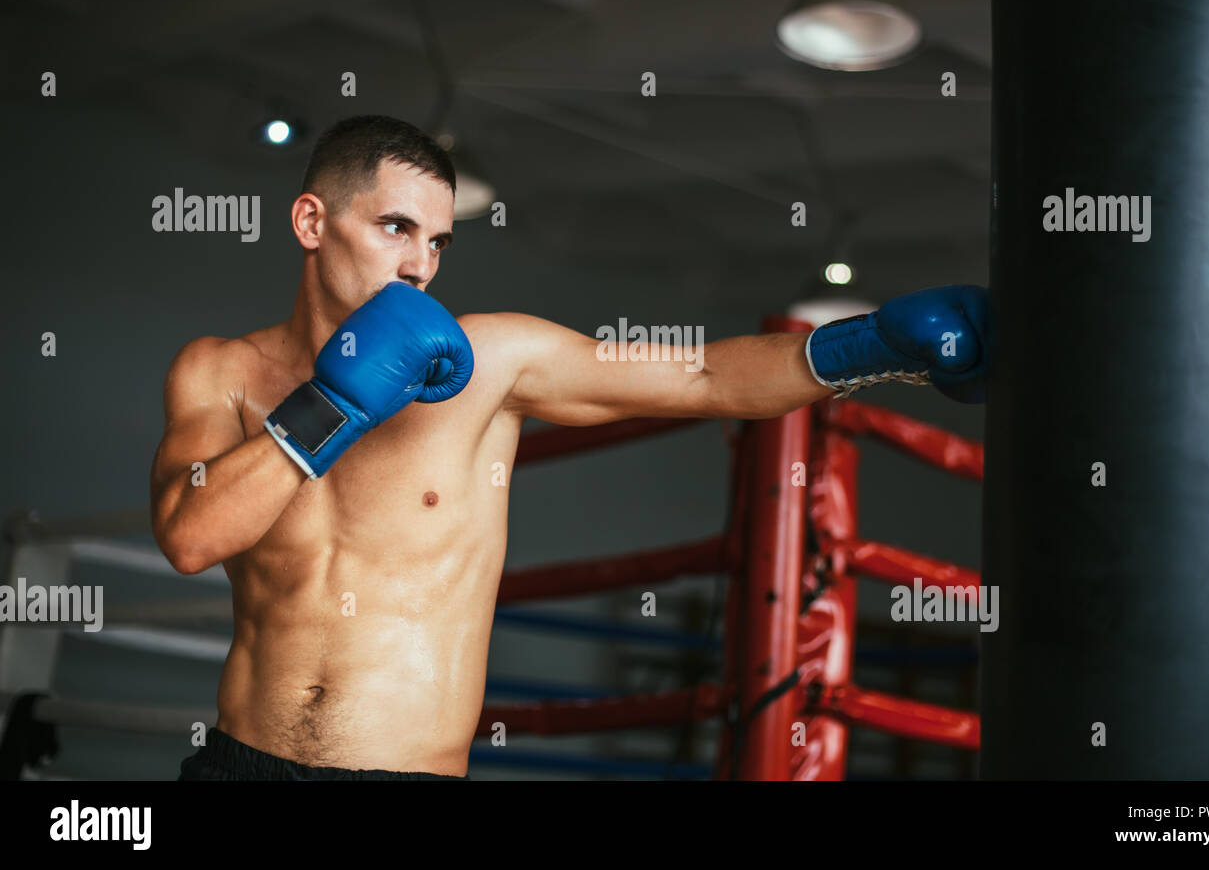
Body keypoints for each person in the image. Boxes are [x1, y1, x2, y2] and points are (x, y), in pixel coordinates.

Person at [150, 115, 989, 780]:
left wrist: (869, 347)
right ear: (311, 221)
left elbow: (702, 377)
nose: (419, 267)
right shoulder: (221, 372)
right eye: (396, 228)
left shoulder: (494, 361)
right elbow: (190, 536)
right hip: (240, 766)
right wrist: (335, 402)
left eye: (438, 241)